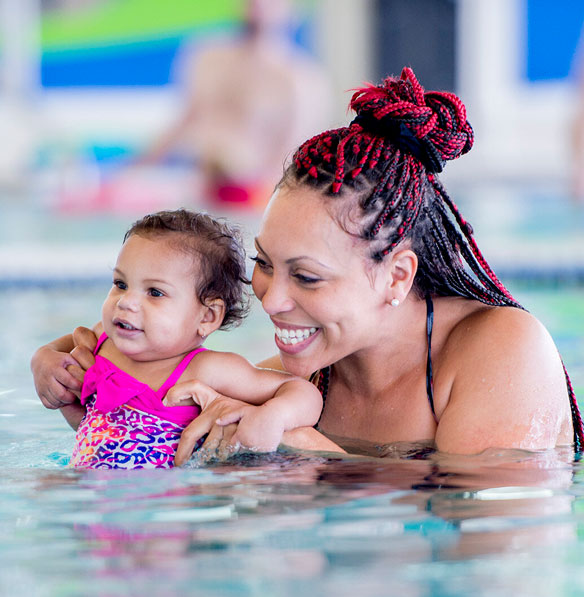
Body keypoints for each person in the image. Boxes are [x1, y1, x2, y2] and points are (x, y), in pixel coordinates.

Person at [32, 68, 584, 463]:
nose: (270, 299)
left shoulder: (501, 347)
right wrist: (73, 384)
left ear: (397, 276)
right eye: (264, 264)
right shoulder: (294, 378)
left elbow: (487, 540)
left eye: (308, 276)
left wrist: (301, 449)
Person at [43, 208, 324, 469]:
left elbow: (302, 392)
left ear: (207, 317)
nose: (126, 302)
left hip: (164, 511)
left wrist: (272, 417)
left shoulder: (204, 370)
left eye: (155, 292)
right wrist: (43, 359)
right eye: (120, 284)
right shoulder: (104, 341)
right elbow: (61, 348)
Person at [131, 0, 331, 210]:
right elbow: (183, 122)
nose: (259, 6)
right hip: (195, 189)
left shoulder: (303, 81)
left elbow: (292, 156)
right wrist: (136, 168)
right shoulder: (207, 57)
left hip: (252, 200)